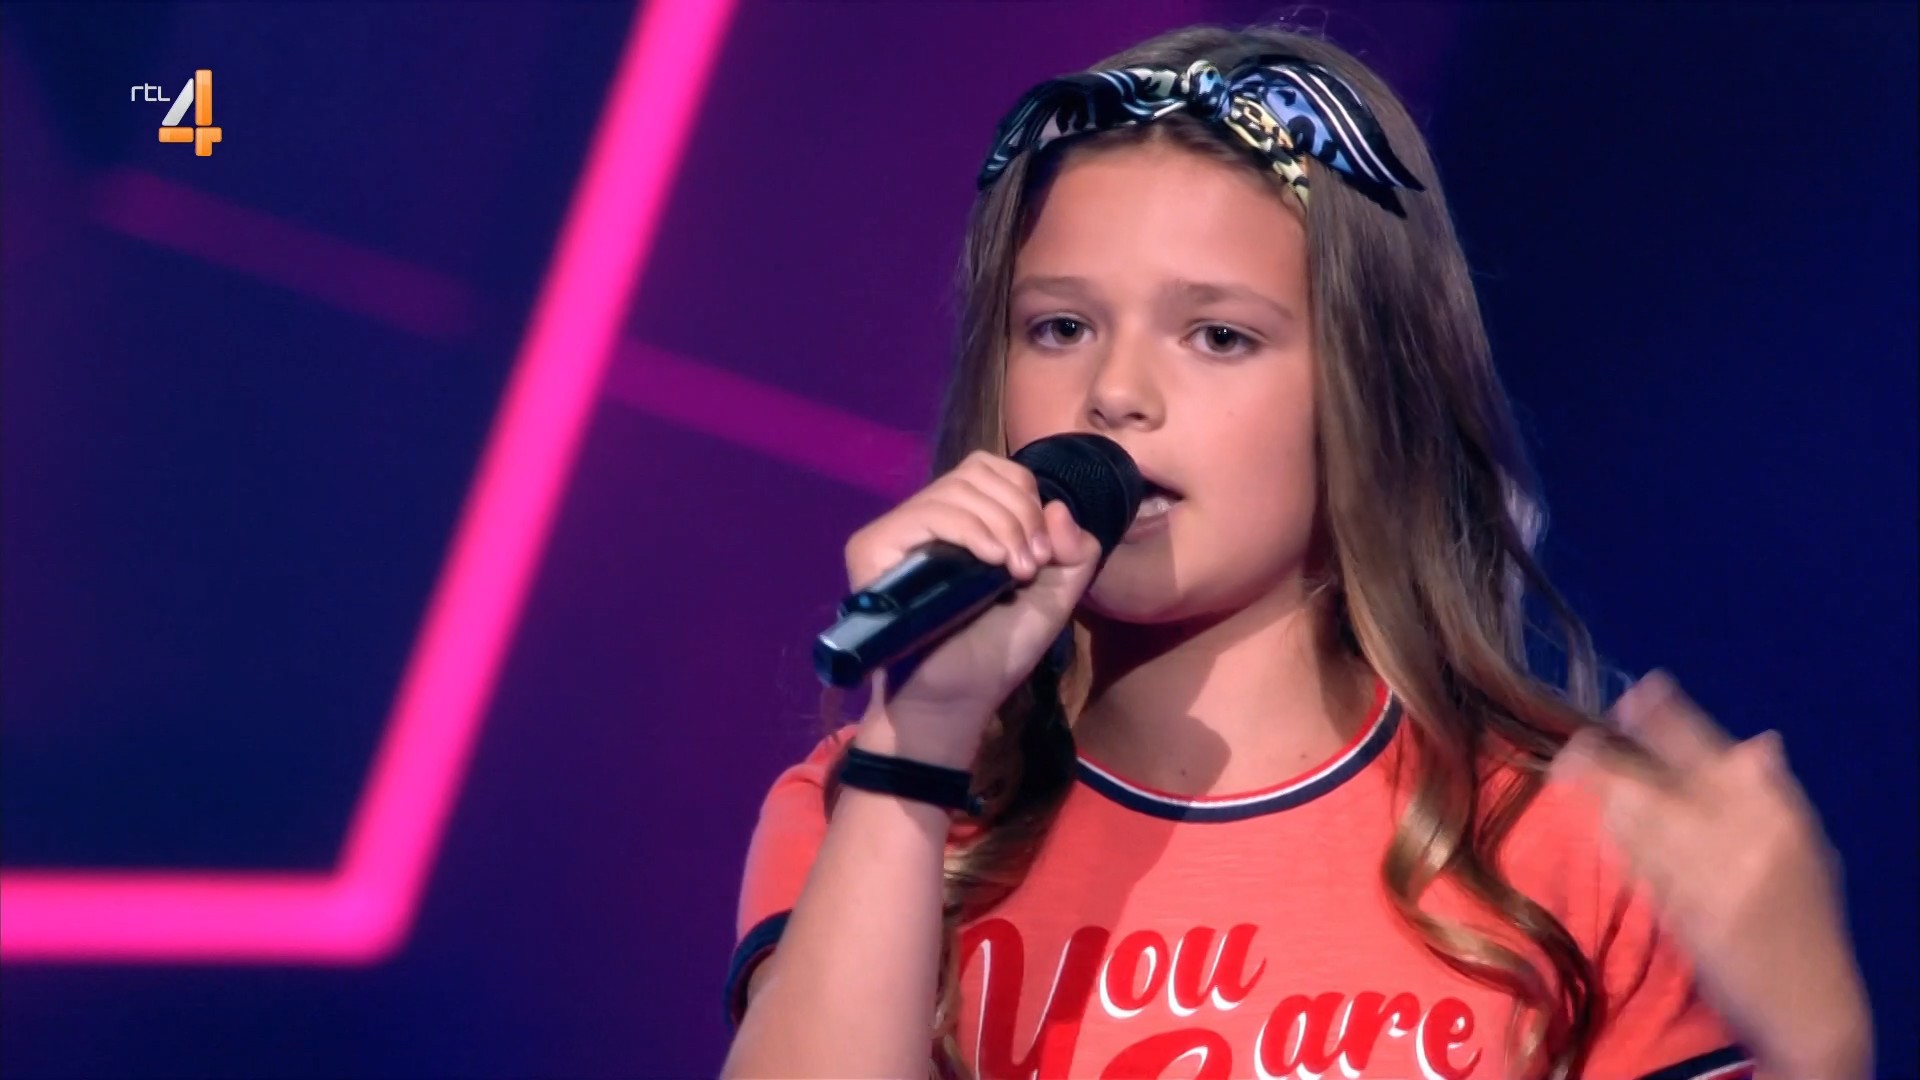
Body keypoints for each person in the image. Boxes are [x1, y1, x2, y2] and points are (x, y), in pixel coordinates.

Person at [719, 23, 1872, 1080]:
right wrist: (914, 753)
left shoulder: (1573, 838)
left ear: (1369, 389)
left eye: (1218, 335)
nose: (1114, 392)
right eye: (1060, 327)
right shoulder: (871, 807)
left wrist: (1818, 1048)